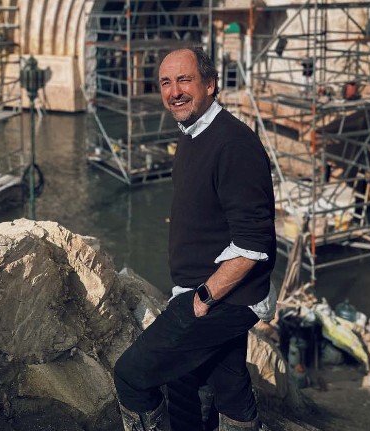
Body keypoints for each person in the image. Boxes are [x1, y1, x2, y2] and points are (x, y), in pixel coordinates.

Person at [114, 47, 277, 431]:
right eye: (166, 83)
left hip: (224, 296)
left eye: (184, 80)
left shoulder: (233, 144)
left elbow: (254, 242)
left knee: (131, 375)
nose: (174, 92)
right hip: (210, 290)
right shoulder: (193, 134)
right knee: (223, 387)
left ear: (210, 84)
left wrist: (204, 297)